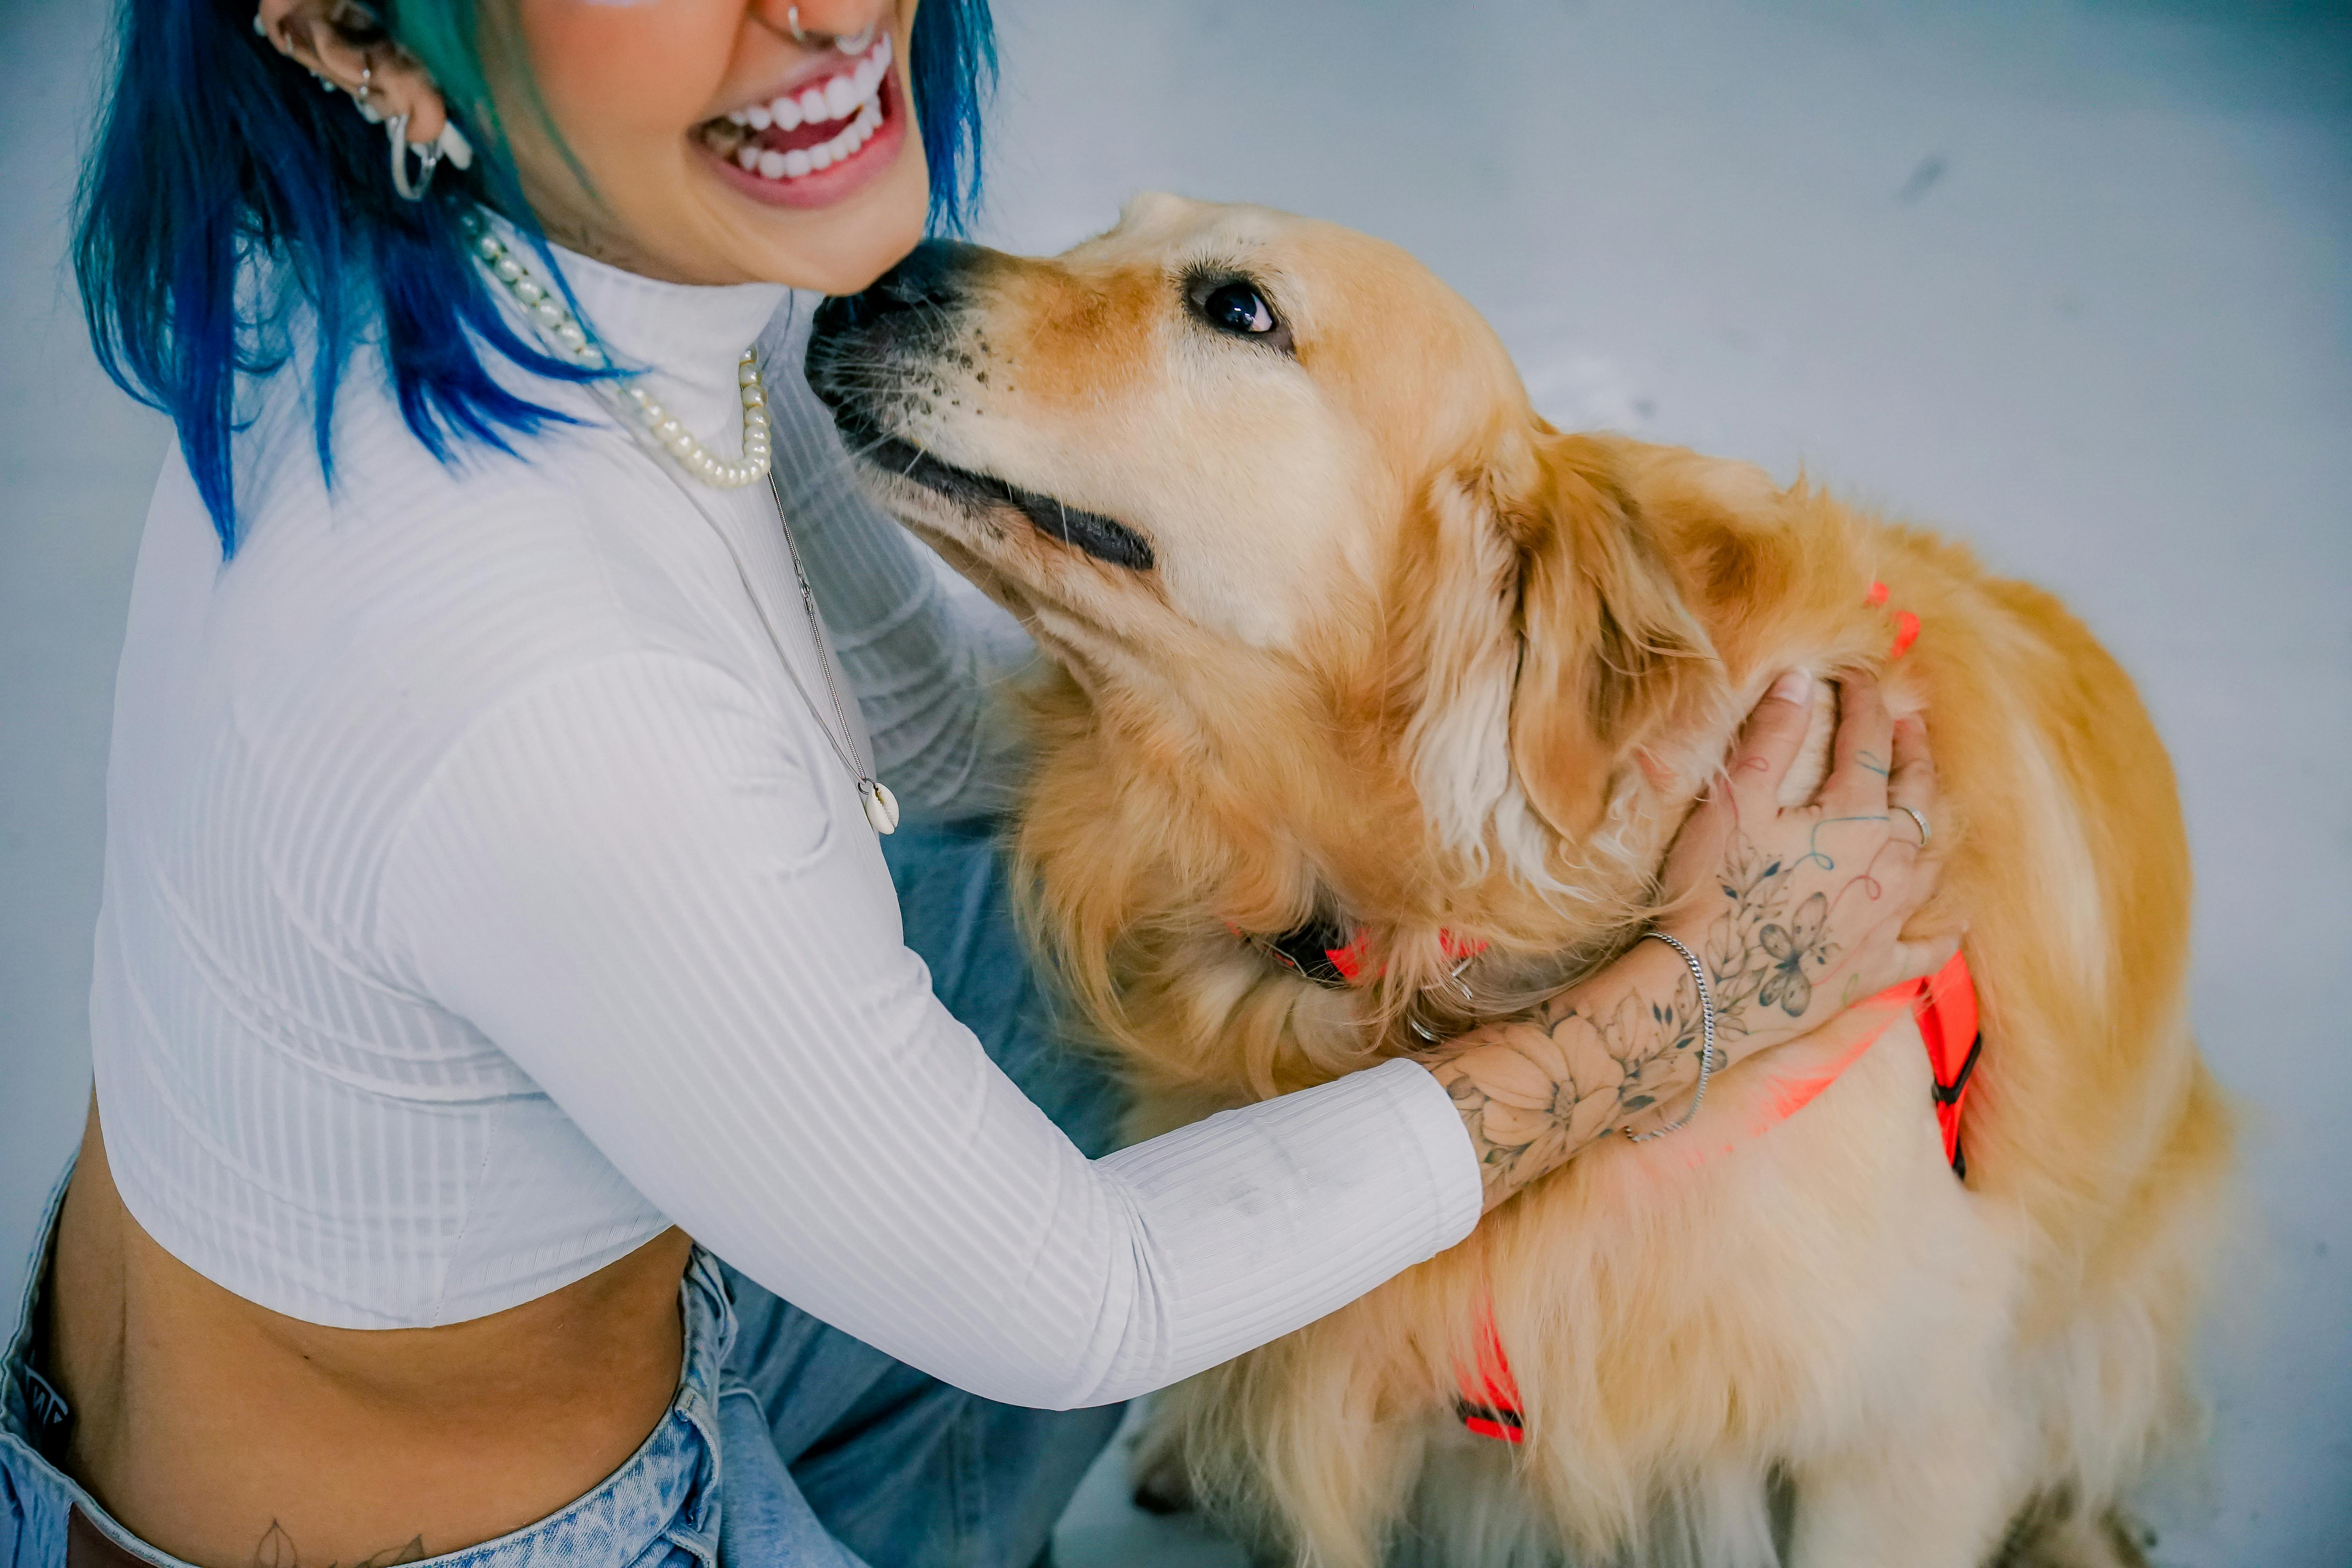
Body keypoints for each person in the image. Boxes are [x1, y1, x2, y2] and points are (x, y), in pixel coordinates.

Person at [0, 2, 1953, 1564]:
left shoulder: (473, 290)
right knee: (1168, 1027)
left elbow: (942, 742)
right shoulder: (555, 686)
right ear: (361, 30)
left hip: (253, 1409)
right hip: (537, 1538)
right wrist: (1683, 994)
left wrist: (1494, 717)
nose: (835, 12)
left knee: (1151, 920)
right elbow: (1077, 1296)